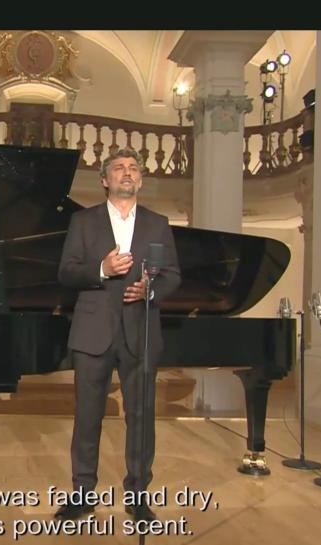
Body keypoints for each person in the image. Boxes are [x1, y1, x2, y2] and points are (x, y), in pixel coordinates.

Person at [55, 148, 181, 522]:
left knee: (141, 417)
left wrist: (150, 291)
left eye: (133, 169)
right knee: (88, 416)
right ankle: (82, 493)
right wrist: (102, 268)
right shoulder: (83, 221)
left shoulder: (158, 223)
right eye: (118, 168)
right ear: (105, 180)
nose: (127, 173)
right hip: (93, 332)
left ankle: (138, 494)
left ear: (140, 179)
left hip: (140, 331)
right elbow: (66, 272)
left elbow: (173, 275)